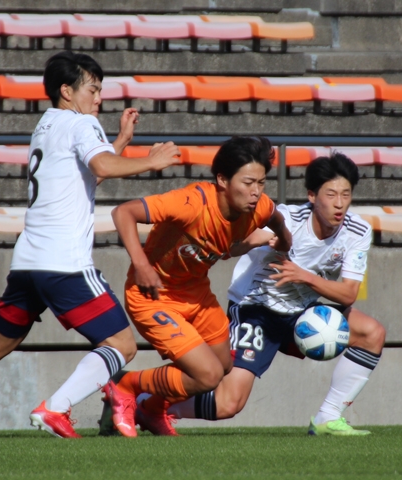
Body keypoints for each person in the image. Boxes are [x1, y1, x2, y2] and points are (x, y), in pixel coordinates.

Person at [0, 51, 180, 439]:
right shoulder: (81, 123)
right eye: (93, 89)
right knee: (122, 345)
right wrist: (151, 161)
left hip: (28, 262)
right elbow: (102, 166)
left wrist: (121, 141)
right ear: (67, 91)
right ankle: (56, 408)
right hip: (64, 262)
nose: (99, 98)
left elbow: (85, 178)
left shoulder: (46, 125)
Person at [162, 152, 386, 436]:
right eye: (331, 194)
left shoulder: (358, 230)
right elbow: (236, 246)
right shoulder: (286, 219)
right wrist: (252, 241)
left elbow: (349, 293)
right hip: (256, 310)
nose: (339, 203)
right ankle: (148, 402)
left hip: (301, 311)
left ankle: (327, 417)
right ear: (312, 196)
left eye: (346, 194)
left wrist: (303, 276)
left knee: (371, 333)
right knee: (228, 404)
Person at [101, 136, 293, 437]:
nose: (256, 191)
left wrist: (284, 241)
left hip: (197, 295)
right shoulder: (191, 203)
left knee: (223, 366)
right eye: (247, 183)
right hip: (153, 297)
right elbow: (123, 212)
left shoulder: (259, 207)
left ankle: (152, 409)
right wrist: (141, 266)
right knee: (208, 375)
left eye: (261, 183)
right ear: (222, 180)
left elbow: (276, 219)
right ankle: (125, 385)